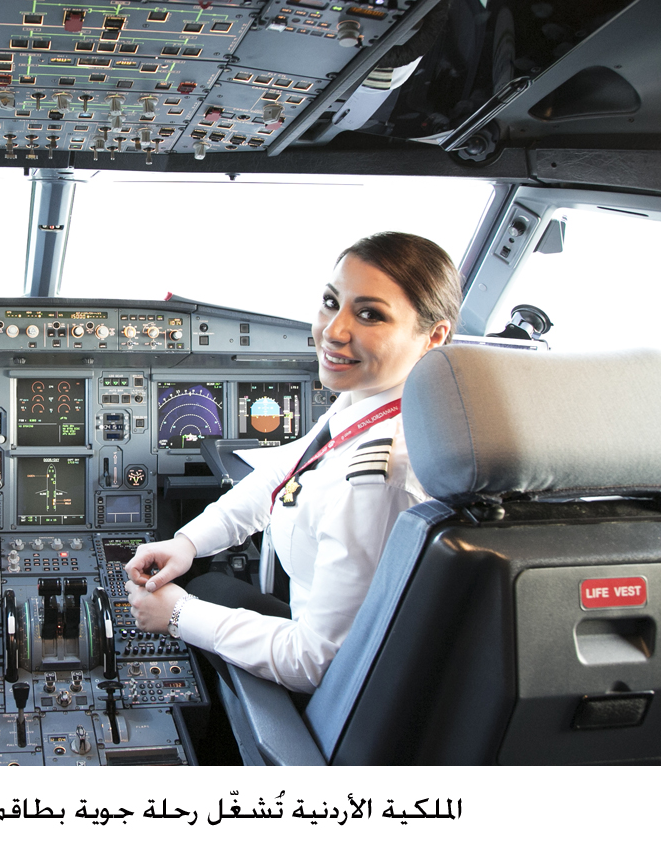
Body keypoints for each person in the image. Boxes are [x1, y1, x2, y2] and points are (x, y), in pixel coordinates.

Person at [125, 232, 460, 694]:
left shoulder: (377, 481)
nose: (333, 331)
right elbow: (285, 470)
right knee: (209, 584)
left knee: (202, 597)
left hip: (332, 687)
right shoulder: (369, 403)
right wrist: (188, 541)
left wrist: (178, 615)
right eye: (330, 301)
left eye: (369, 315)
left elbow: (314, 662)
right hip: (334, 633)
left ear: (434, 336)